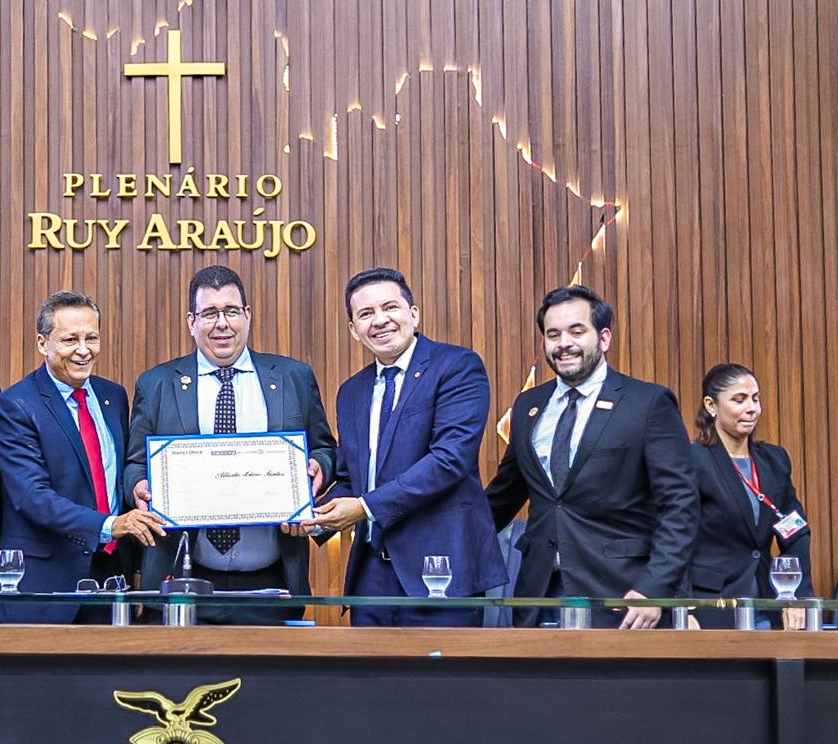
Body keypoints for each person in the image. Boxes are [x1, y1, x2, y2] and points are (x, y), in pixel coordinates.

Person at [124, 265, 337, 624]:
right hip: (184, 579)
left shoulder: (293, 378)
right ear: (192, 321)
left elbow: (324, 448)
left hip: (271, 583)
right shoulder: (157, 384)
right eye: (209, 313)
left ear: (247, 315)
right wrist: (138, 486)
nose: (222, 323)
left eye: (231, 311)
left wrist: (316, 471)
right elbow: (134, 463)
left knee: (269, 680)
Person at [297, 268, 507, 626]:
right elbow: (352, 477)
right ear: (353, 330)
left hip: (440, 570)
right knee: (371, 681)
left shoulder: (457, 367)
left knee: (438, 681)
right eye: (365, 314)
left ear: (413, 313)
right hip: (370, 576)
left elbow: (448, 461)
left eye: (389, 307)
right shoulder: (352, 392)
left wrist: (364, 507)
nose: (379, 320)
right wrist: (313, 518)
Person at [485, 285, 698, 628]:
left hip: (623, 598)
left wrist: (655, 588)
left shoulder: (647, 404)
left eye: (576, 331)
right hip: (539, 597)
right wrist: (441, 542)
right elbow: (503, 496)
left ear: (604, 338)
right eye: (552, 334)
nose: (563, 343)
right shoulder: (528, 406)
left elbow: (681, 505)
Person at [0, 292, 165, 623]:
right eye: (70, 339)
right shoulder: (16, 405)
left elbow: (115, 476)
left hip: (112, 577)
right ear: (43, 343)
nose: (84, 350)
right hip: (47, 585)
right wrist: (111, 525)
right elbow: (32, 497)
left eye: (92, 338)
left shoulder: (113, 395)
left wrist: (137, 491)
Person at [688, 363, 810, 630]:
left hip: (768, 604)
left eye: (755, 399)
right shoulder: (692, 460)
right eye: (739, 400)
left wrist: (797, 597)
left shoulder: (774, 459)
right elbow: (674, 536)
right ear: (711, 405)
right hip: (710, 606)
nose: (751, 408)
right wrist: (682, 606)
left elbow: (795, 531)